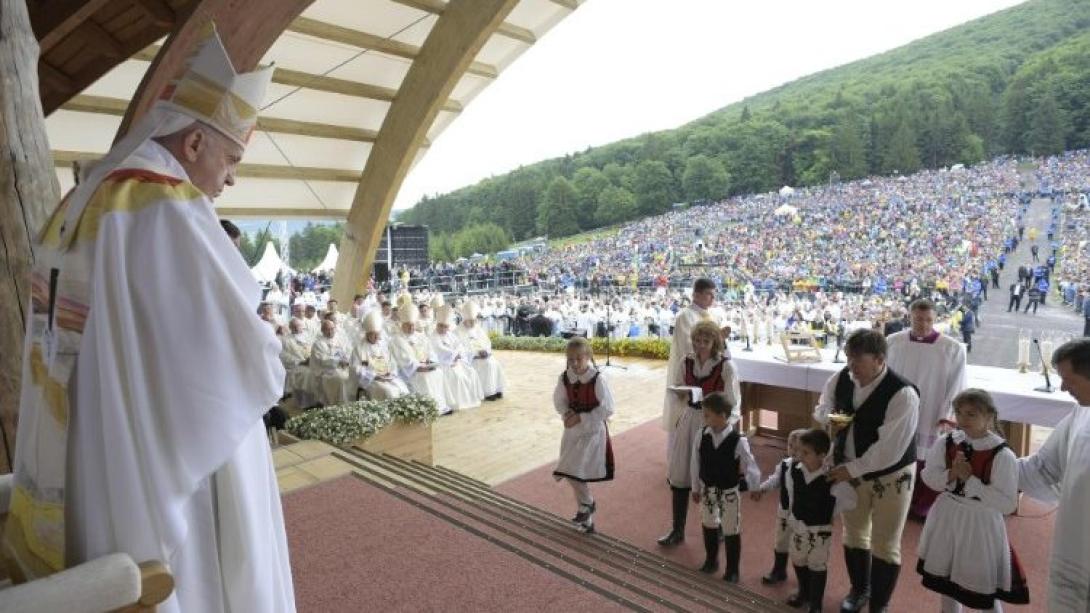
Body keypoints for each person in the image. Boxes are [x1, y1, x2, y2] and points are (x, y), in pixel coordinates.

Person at [2, 27, 295, 612]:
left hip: (88, 435)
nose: (231, 177)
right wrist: (266, 350)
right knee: (209, 564)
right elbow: (237, 351)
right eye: (231, 157)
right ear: (192, 146)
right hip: (159, 449)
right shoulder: (161, 200)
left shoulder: (85, 195)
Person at [814, 329, 920, 613]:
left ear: (879, 360)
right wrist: (831, 419)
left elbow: (889, 449)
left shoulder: (903, 394)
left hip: (893, 474)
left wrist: (850, 469)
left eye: (857, 361)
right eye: (849, 359)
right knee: (854, 533)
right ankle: (859, 590)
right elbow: (822, 407)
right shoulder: (841, 378)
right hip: (849, 467)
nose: (851, 366)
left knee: (886, 543)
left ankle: (880, 604)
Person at [917, 389, 1028, 612]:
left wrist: (971, 480)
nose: (962, 419)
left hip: (980, 523)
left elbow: (1007, 504)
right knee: (946, 583)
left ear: (989, 416)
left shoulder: (1001, 454)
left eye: (971, 414)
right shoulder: (947, 442)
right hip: (947, 517)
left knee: (982, 587)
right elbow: (928, 476)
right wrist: (951, 475)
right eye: (959, 412)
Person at [1017, 339, 1090, 611]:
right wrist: (989, 461)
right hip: (1076, 539)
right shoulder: (1081, 411)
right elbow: (1044, 465)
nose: (1062, 388)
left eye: (1068, 379)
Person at [659, 320, 741, 547]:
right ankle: (677, 530)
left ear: (715, 342)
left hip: (713, 425)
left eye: (705, 341)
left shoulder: (726, 366)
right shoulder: (686, 362)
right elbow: (677, 387)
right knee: (680, 471)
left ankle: (720, 528)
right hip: (690, 419)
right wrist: (681, 394)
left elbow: (733, 403)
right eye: (696, 340)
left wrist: (721, 430)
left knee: (713, 476)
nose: (700, 345)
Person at [886, 299, 967, 519]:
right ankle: (898, 498)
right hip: (900, 407)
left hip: (932, 409)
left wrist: (948, 414)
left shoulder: (951, 348)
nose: (923, 324)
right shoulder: (893, 342)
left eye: (928, 320)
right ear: (909, 317)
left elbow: (957, 384)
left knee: (929, 456)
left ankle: (923, 504)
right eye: (918, 319)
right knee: (899, 451)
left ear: (936, 319)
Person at [783, 429, 857, 613]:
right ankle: (804, 592)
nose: (799, 455)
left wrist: (832, 511)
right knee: (798, 558)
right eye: (799, 451)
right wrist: (793, 514)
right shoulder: (794, 469)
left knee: (817, 563)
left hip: (820, 529)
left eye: (805, 453)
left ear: (822, 456)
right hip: (799, 525)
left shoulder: (830, 478)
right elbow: (792, 492)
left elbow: (850, 499)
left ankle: (816, 604)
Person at [689, 392, 760, 582]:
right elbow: (695, 462)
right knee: (708, 523)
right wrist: (695, 487)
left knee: (731, 528)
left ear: (722, 415)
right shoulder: (702, 435)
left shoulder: (738, 440)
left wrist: (754, 486)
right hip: (708, 489)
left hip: (729, 492)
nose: (704, 418)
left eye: (707, 415)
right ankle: (711, 560)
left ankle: (733, 569)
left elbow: (750, 464)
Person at [552, 337, 615, 534]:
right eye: (571, 359)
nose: (575, 363)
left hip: (592, 431)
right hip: (572, 431)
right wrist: (566, 414)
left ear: (588, 357)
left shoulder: (597, 379)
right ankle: (586, 516)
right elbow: (559, 400)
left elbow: (608, 408)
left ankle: (586, 505)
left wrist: (582, 418)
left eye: (579, 359)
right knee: (571, 470)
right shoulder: (565, 377)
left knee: (574, 470)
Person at [663, 278, 730, 455]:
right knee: (685, 421)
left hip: (710, 370)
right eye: (709, 294)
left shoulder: (712, 315)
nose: (713, 299)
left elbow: (715, 347)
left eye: (714, 295)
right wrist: (718, 339)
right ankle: (679, 459)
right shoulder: (685, 316)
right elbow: (689, 346)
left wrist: (720, 341)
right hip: (690, 373)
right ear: (697, 295)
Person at [751, 428, 807, 586]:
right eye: (790, 446)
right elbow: (775, 480)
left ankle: (805, 579)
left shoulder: (809, 469)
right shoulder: (784, 465)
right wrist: (762, 489)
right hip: (784, 512)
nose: (793, 451)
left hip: (803, 515)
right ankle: (779, 570)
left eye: (798, 449)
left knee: (801, 546)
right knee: (781, 541)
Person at [389, 294, 450, 414]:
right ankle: (429, 408)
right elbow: (404, 359)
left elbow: (430, 351)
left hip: (425, 366)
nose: (412, 327)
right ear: (402, 324)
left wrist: (430, 361)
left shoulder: (419, 336)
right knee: (424, 378)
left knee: (438, 373)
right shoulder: (397, 339)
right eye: (408, 325)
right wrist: (418, 367)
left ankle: (440, 405)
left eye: (413, 324)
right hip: (412, 371)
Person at [430, 305, 482, 411]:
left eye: (445, 326)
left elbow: (459, 345)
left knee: (471, 372)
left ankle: (471, 398)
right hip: (444, 364)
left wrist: (458, 354)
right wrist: (453, 355)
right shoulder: (433, 336)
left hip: (456, 361)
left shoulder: (449, 334)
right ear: (437, 325)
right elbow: (439, 349)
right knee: (458, 377)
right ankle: (458, 402)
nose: (444, 329)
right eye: (441, 326)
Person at [352, 310, 409, 401]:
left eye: (377, 334)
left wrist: (391, 372)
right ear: (367, 334)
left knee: (403, 389)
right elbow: (356, 368)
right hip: (371, 380)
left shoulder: (383, 347)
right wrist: (374, 376)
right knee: (388, 392)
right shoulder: (359, 349)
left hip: (387, 377)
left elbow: (392, 362)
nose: (376, 337)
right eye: (373, 334)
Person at [455, 300, 506, 401]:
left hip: (483, 355)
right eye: (471, 321)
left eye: (474, 320)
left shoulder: (477, 328)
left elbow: (487, 342)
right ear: (465, 319)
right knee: (487, 364)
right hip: (470, 359)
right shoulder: (457, 331)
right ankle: (487, 392)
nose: (473, 323)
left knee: (494, 363)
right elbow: (460, 349)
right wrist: (475, 354)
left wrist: (486, 351)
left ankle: (496, 389)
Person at [310, 319, 354, 406]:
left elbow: (349, 351)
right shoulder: (318, 343)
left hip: (344, 366)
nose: (330, 331)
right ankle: (339, 404)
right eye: (327, 329)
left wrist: (346, 360)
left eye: (332, 329)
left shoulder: (341, 340)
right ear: (322, 330)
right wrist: (338, 362)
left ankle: (352, 402)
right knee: (341, 378)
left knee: (355, 375)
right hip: (327, 370)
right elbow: (322, 359)